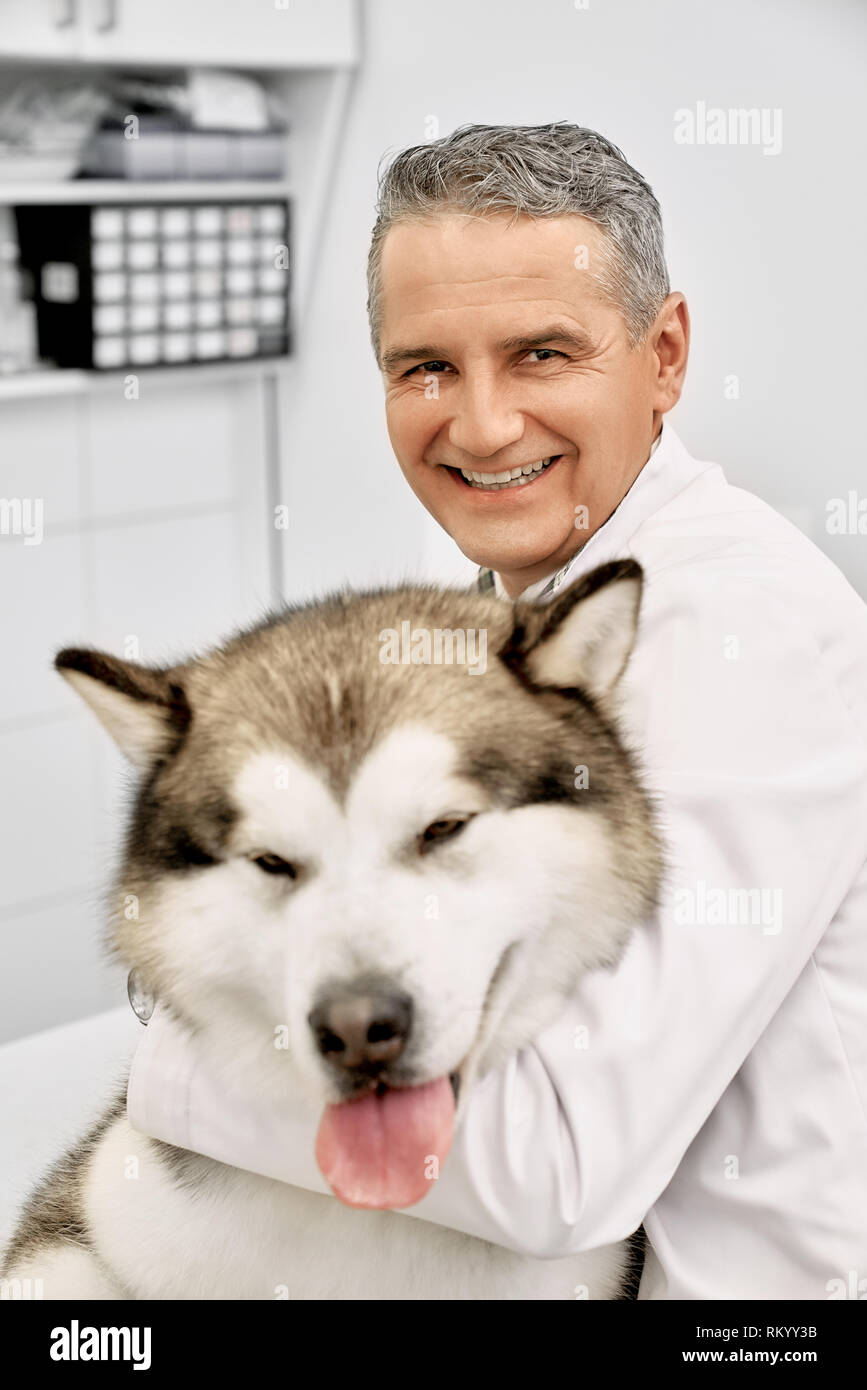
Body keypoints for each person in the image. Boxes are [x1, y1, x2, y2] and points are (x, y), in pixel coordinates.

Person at [127, 124, 867, 1299]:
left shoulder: (749, 631)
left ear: (665, 354)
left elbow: (558, 1164)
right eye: (425, 367)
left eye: (541, 354)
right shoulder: (507, 610)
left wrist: (179, 1062)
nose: (479, 426)